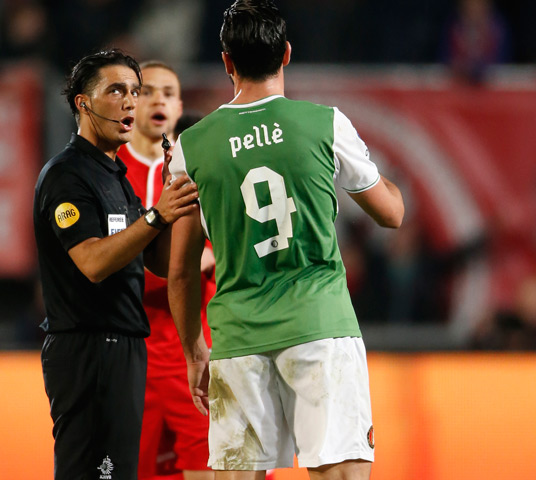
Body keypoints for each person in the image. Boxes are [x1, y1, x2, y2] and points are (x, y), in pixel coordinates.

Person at [166, 2, 405, 480]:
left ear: (227, 62)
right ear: (287, 55)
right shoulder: (324, 124)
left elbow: (181, 269)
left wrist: (195, 348)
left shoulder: (191, 147)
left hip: (238, 339)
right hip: (321, 329)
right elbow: (392, 214)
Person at [32, 49, 199, 480]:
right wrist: (157, 215)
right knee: (93, 472)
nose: (131, 101)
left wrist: (180, 209)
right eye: (116, 91)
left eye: (134, 91)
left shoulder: (115, 176)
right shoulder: (67, 175)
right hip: (87, 350)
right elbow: (91, 262)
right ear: (82, 103)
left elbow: (156, 263)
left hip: (124, 349)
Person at [117, 61, 214, 480]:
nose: (159, 99)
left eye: (169, 93)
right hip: (127, 356)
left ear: (179, 108)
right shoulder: (107, 170)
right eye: (148, 91)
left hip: (191, 350)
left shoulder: (202, 169)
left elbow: (216, 251)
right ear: (130, 105)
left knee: (207, 469)